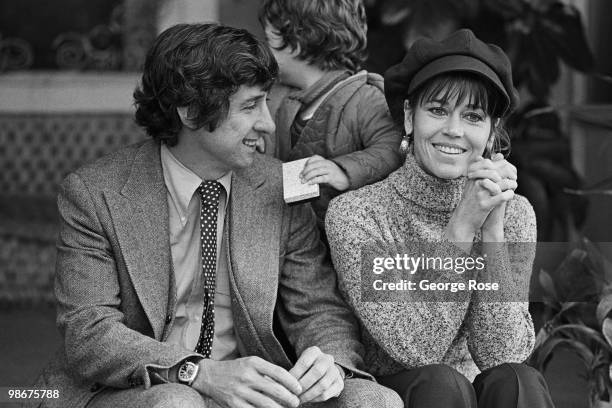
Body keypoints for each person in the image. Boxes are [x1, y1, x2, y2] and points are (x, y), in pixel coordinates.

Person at [33, 23, 403, 408]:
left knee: (374, 401)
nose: (268, 123)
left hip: (254, 389)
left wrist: (330, 362)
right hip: (139, 387)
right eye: (249, 106)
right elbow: (90, 332)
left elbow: (317, 308)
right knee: (177, 404)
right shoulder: (94, 193)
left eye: (266, 101)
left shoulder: (280, 184)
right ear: (191, 112)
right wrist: (199, 372)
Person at [325, 29, 555, 408]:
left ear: (492, 132)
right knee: (441, 383)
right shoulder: (358, 215)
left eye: (473, 116)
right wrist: (462, 225)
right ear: (409, 117)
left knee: (518, 379)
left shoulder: (516, 215)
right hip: (406, 391)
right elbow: (417, 347)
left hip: (481, 392)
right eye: (437, 110)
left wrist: (492, 229)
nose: (454, 129)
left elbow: (503, 356)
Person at [259, 0, 402, 235]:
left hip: (350, 241)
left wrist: (344, 170)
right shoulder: (278, 97)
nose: (264, 51)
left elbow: (394, 147)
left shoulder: (364, 97)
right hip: (295, 238)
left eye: (269, 41)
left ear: (296, 41)